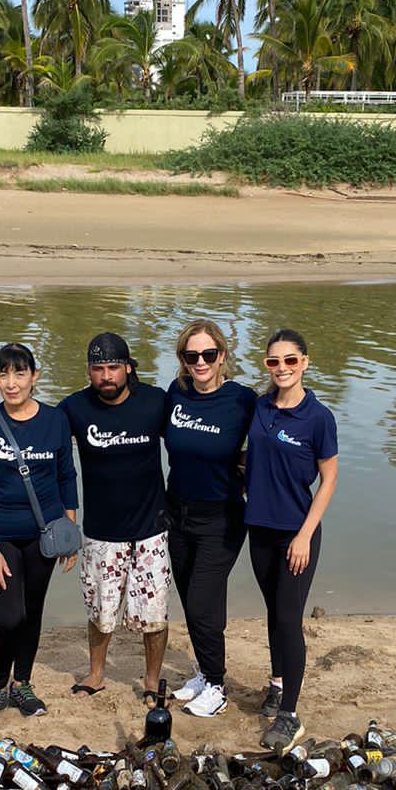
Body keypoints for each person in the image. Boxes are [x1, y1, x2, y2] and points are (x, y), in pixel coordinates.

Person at [0, 343, 78, 724]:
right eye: (3, 374)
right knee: (10, 616)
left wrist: (69, 529)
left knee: (33, 613)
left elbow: (66, 476)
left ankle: (22, 685)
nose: (11, 383)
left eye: (19, 373)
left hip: (44, 534)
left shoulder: (56, 421)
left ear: (34, 376)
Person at [58, 333, 170, 702]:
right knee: (100, 610)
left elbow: (192, 440)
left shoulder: (155, 402)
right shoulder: (75, 408)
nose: (106, 376)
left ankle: (153, 681)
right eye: (98, 369)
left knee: (154, 613)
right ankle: (96, 673)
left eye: (113, 367)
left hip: (152, 530)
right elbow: (36, 429)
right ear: (89, 371)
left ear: (128, 367)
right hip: (102, 532)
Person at [244, 328, 338, 753]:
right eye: (273, 361)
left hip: (296, 534)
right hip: (259, 529)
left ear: (305, 362)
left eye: (290, 361)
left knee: (288, 617)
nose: (282, 368)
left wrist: (304, 535)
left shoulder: (318, 417)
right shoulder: (259, 408)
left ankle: (290, 715)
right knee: (273, 612)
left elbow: (329, 478)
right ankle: (277, 683)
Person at [164, 319, 256, 718]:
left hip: (222, 517)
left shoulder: (242, 399)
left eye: (208, 354)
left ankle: (217, 686)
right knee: (190, 597)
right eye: (191, 355)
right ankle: (203, 672)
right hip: (177, 515)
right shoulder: (176, 393)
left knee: (203, 602)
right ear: (183, 360)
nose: (200, 362)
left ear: (222, 356)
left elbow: (280, 426)